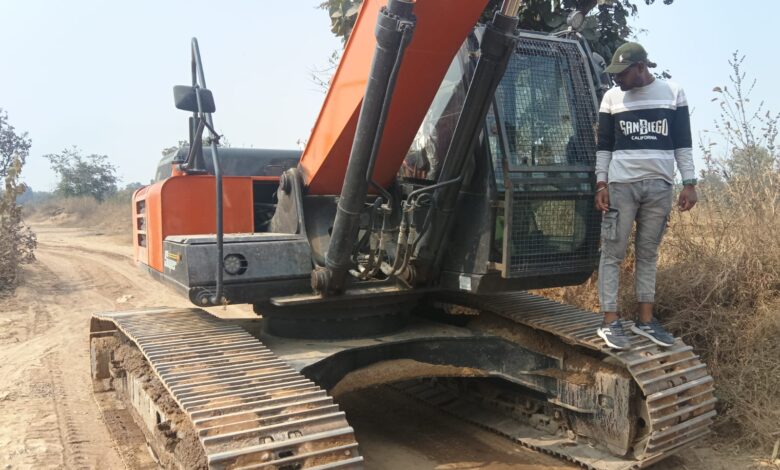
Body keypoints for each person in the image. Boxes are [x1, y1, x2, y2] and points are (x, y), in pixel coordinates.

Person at [594, 42, 698, 350]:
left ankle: (645, 321)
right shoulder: (611, 98)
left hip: (659, 187)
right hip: (621, 186)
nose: (617, 79)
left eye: (622, 73)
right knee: (612, 253)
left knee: (648, 255)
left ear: (641, 67)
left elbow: (683, 142)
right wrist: (601, 184)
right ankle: (610, 322)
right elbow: (604, 146)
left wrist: (689, 183)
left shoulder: (673, 93)